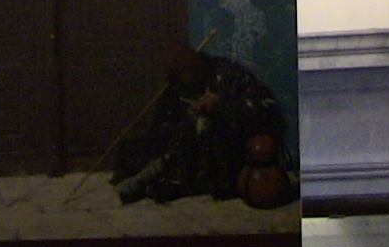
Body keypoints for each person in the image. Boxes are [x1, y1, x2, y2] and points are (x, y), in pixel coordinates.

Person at [113, 38, 289, 204]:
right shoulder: (177, 82)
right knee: (142, 148)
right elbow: (166, 117)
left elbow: (263, 107)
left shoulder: (228, 73)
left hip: (229, 142)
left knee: (201, 125)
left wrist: (220, 103)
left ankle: (162, 179)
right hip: (187, 144)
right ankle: (154, 175)